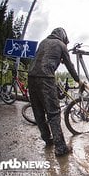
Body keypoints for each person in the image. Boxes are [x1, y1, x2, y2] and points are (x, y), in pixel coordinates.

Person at [28, 27, 82, 157]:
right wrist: (78, 81)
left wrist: (58, 59)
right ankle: (61, 147)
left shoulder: (43, 42)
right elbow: (70, 66)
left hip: (31, 77)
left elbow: (44, 58)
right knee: (53, 113)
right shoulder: (61, 45)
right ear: (63, 36)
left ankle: (48, 140)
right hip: (46, 78)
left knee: (38, 112)